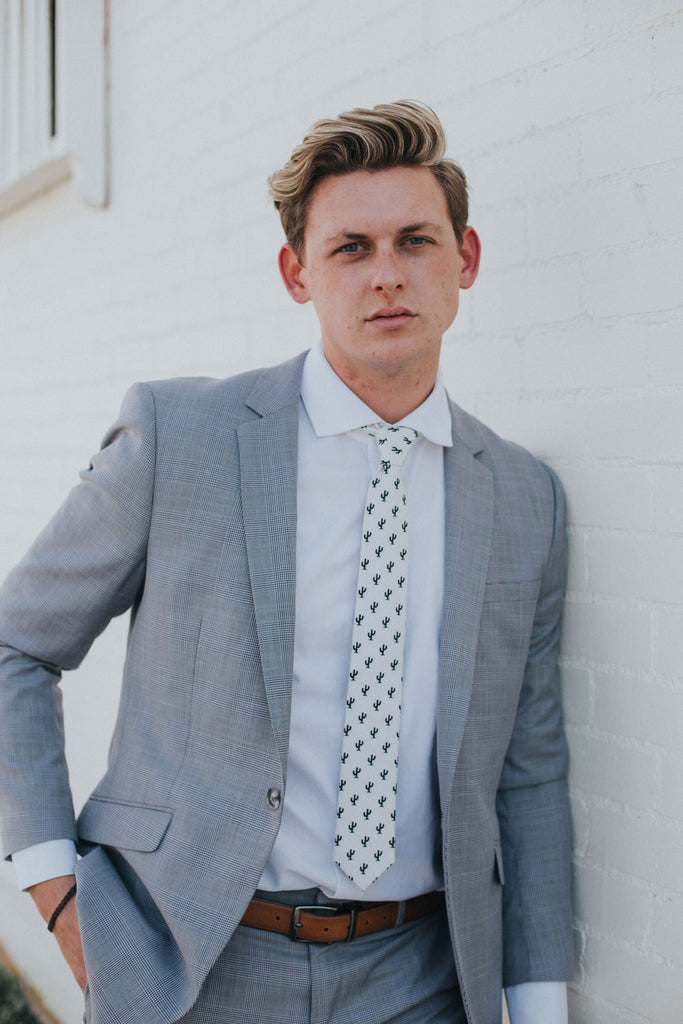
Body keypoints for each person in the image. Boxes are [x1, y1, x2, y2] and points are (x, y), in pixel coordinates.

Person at [0, 101, 573, 1024]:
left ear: (463, 260)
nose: (386, 275)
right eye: (349, 248)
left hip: (419, 978)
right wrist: (55, 889)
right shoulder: (180, 436)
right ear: (295, 273)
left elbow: (528, 771)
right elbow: (16, 645)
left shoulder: (523, 497)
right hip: (189, 964)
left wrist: (537, 1008)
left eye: (415, 241)